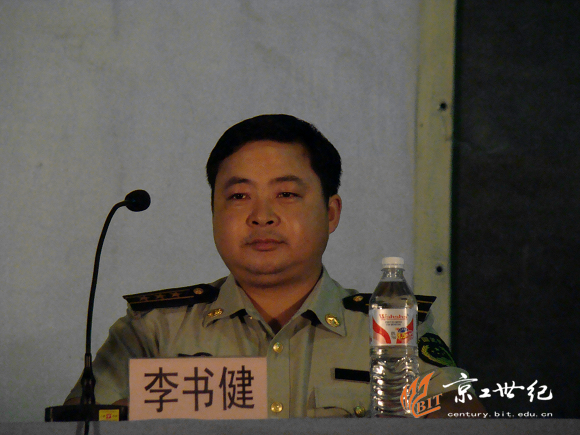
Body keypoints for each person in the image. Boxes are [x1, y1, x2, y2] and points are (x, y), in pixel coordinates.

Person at [65, 114, 484, 417]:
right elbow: (77, 426)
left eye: (286, 194)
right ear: (213, 213)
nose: (261, 216)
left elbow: (466, 416)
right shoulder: (153, 330)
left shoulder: (391, 324)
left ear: (331, 213)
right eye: (238, 196)